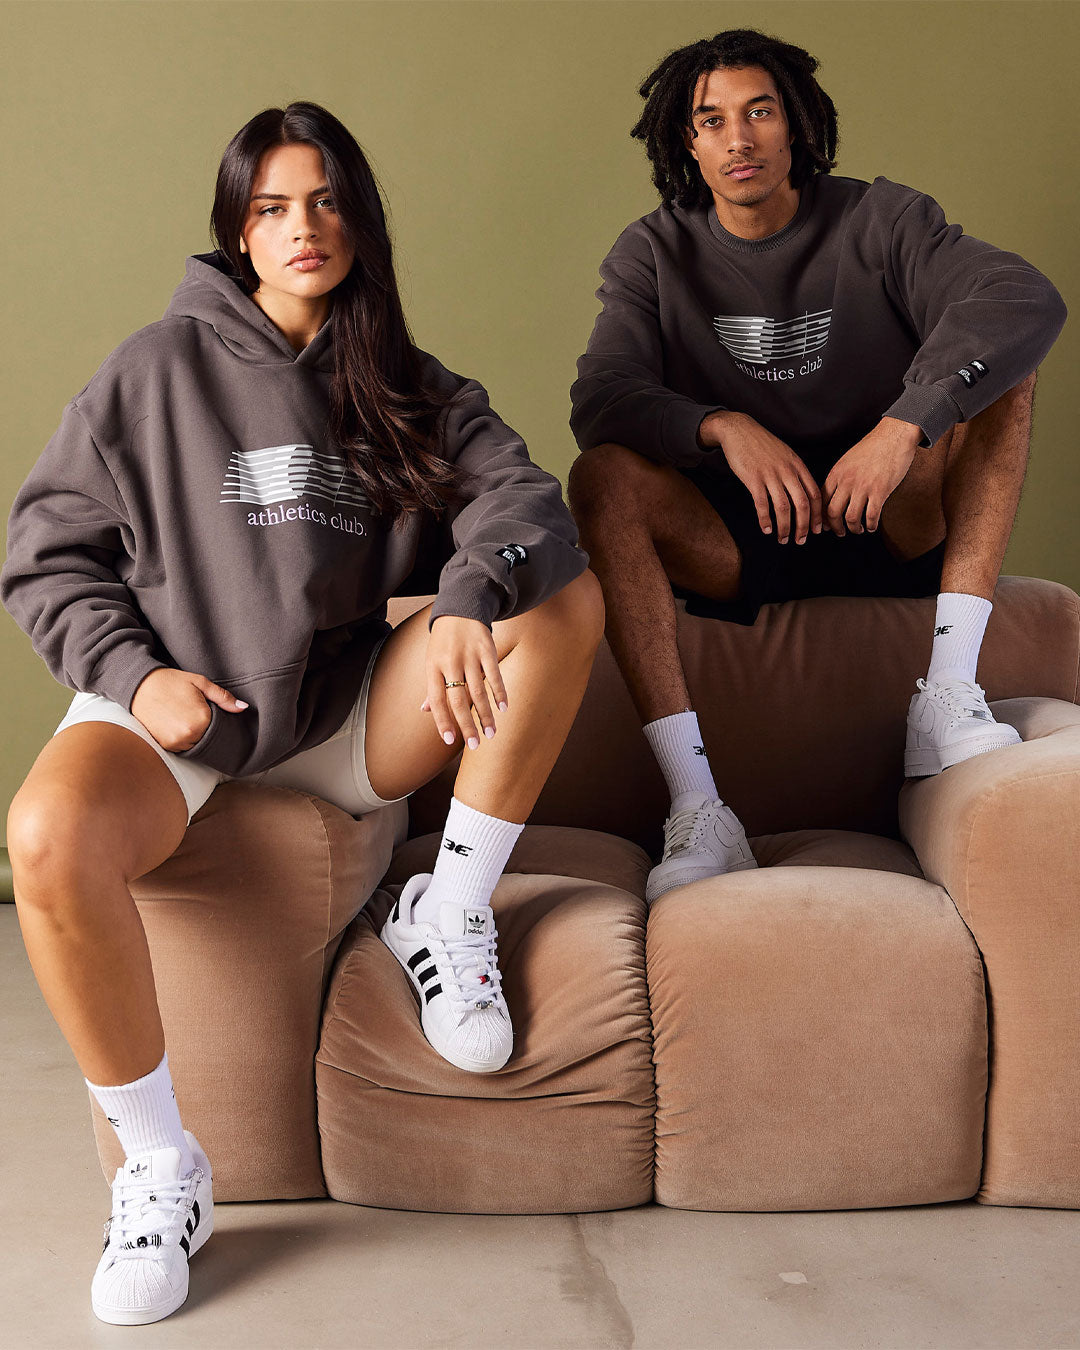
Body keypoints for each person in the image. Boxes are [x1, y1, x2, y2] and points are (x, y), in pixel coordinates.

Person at [1, 101, 603, 1326]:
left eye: (325, 201)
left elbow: (528, 503)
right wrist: (136, 676)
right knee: (45, 838)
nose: (302, 227)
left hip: (337, 718)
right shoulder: (153, 371)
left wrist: (468, 599)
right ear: (238, 231)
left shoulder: (409, 385)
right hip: (178, 710)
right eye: (272, 207)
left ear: (359, 222)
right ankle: (161, 1166)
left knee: (560, 604)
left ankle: (448, 908)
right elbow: (45, 554)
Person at [567, 28, 1067, 905]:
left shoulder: (882, 220)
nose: (739, 139)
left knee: (1003, 368)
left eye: (759, 111)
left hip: (893, 514)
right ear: (688, 142)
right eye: (712, 120)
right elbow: (602, 398)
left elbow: (1023, 297)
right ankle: (698, 807)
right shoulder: (652, 252)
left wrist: (904, 424)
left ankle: (949, 696)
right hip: (743, 541)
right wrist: (720, 426)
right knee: (602, 476)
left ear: (795, 122)